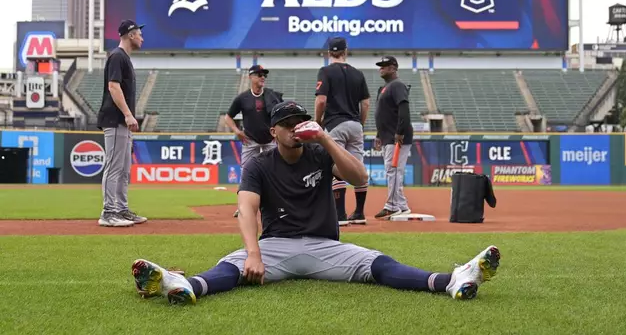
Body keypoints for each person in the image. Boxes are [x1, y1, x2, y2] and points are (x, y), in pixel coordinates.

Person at [131, 101, 501, 305]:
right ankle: (180, 285)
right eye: (287, 124)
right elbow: (246, 209)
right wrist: (254, 254)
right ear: (273, 131)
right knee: (233, 267)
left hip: (326, 247)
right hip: (275, 247)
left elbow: (359, 178)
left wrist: (324, 139)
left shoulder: (320, 152)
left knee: (379, 264)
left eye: (300, 122)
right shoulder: (259, 164)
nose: (295, 128)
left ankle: (452, 280)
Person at [96, 19, 148, 227]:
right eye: (139, 34)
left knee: (124, 168)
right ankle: (109, 212)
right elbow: (113, 87)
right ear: (131, 35)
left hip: (122, 122)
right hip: (116, 119)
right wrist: (127, 114)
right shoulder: (117, 56)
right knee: (114, 166)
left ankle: (121, 209)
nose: (142, 37)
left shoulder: (124, 58)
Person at [314, 37, 370, 226]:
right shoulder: (358, 74)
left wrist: (317, 122)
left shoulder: (326, 71)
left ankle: (340, 214)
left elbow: (321, 100)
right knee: (357, 167)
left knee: (336, 165)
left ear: (329, 53)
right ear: (346, 51)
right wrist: (359, 123)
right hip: (355, 123)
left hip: (335, 123)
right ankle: (360, 213)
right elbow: (366, 103)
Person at [225, 65, 284, 218]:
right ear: (251, 77)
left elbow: (281, 115)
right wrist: (237, 131)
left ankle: (276, 206)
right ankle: (243, 206)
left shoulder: (272, 96)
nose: (262, 77)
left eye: (264, 75)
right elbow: (228, 117)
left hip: (270, 140)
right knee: (246, 172)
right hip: (250, 141)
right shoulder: (243, 98)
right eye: (259, 74)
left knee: (274, 171)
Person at [373, 56, 414, 220]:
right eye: (380, 66)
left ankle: (391, 206)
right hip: (387, 135)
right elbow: (382, 114)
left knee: (393, 170)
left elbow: (404, 109)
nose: (381, 68)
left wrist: (400, 132)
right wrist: (378, 134)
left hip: (396, 136)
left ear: (393, 68)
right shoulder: (385, 87)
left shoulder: (397, 85)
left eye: (385, 66)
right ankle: (402, 205)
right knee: (393, 170)